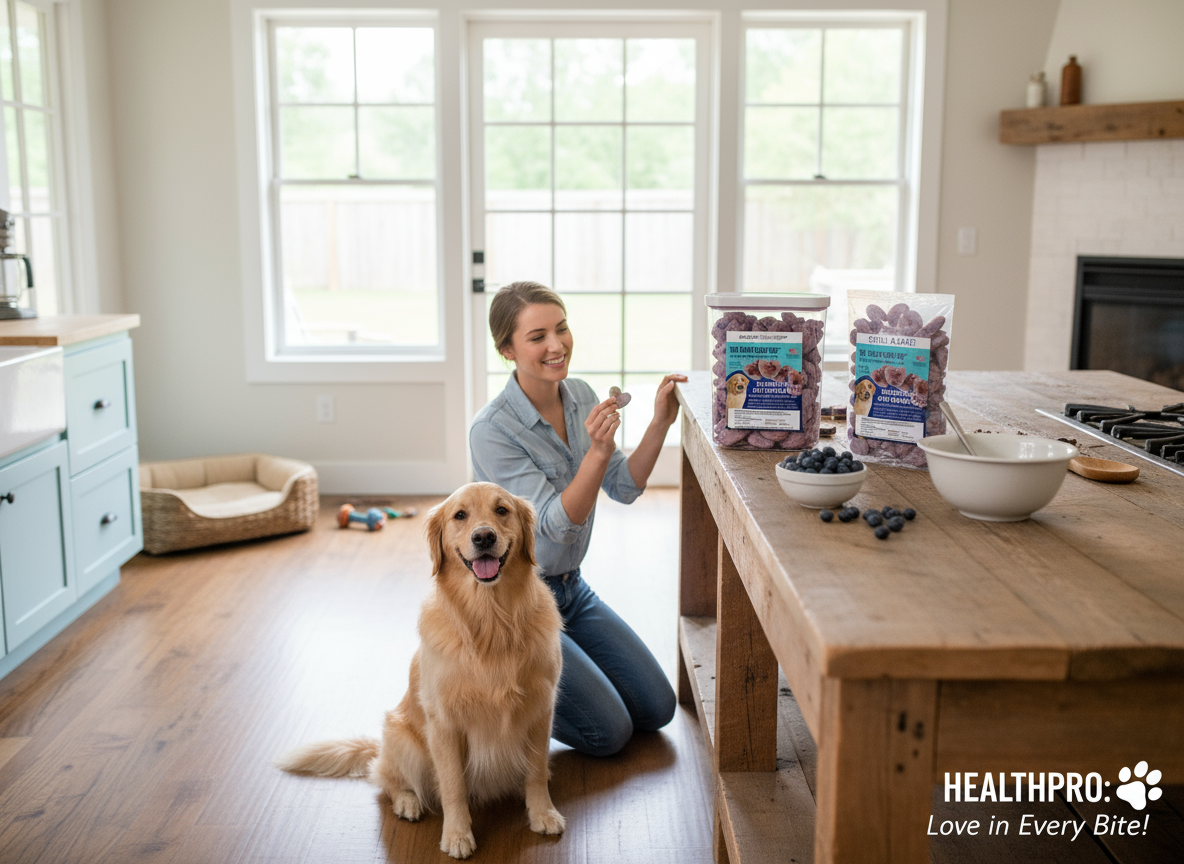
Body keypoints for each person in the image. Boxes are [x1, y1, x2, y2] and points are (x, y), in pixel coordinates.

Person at [469, 280, 687, 757]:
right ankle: (502, 686)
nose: (556, 345)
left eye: (562, 329)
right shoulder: (492, 430)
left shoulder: (582, 396)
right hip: (518, 607)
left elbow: (625, 486)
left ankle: (553, 678)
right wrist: (598, 451)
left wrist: (659, 422)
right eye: (537, 336)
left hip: (571, 589)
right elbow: (553, 524)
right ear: (507, 350)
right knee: (608, 735)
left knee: (657, 709)